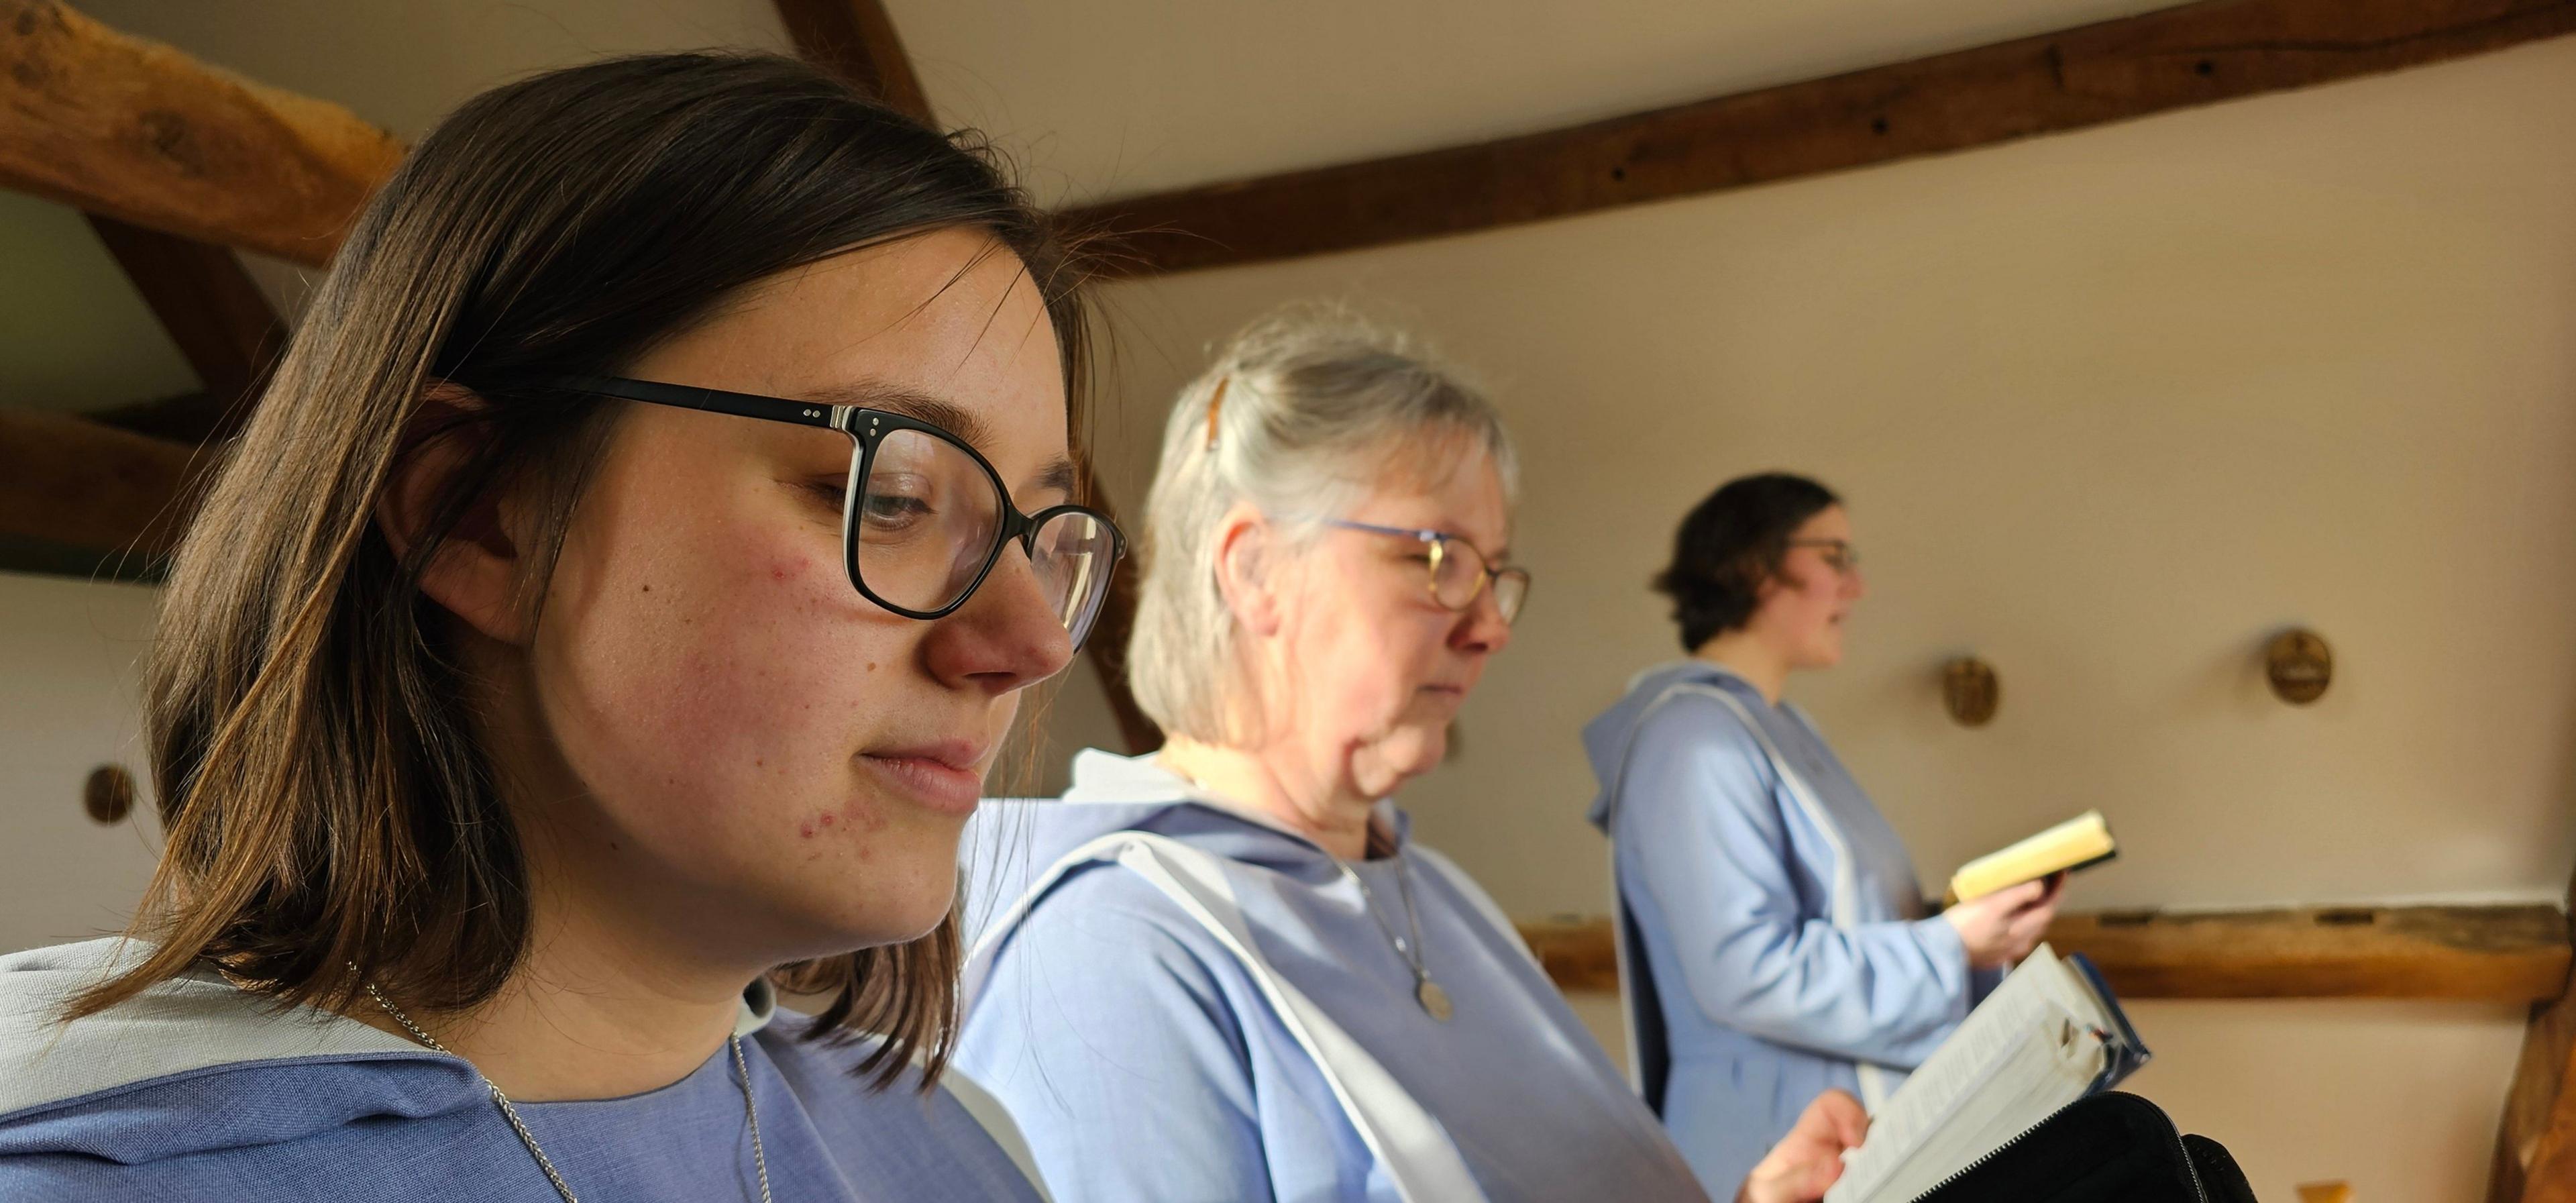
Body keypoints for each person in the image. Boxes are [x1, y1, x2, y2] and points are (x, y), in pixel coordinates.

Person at [0, 54, 1125, 1201]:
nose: (1035, 646)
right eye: (891, 496)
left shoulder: (961, 1152)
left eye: (1045, 536)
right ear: (476, 514)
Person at [954, 313, 1865, 1203]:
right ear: (1256, 569)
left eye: (1493, 570)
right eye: (1438, 557)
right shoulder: (1109, 952)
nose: (1492, 626)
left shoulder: (1440, 893)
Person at [1585, 472, 2065, 1196]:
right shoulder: (1694, 739)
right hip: (1771, 1143)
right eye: (1834, 556)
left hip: (1839, 1126)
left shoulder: (1778, 728)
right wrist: (1951, 944)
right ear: (1753, 566)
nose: (1857, 585)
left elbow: (1853, 925)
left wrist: (1975, 926)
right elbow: (1745, 970)